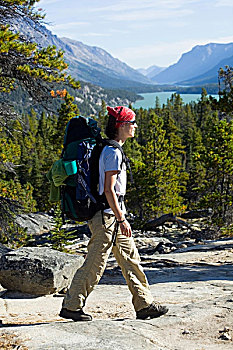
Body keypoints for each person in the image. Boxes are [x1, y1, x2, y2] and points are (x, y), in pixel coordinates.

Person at [59, 106, 168, 321]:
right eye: (132, 122)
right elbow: (109, 189)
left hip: (112, 215)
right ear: (121, 126)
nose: (135, 126)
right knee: (94, 263)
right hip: (107, 218)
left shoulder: (112, 149)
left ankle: (144, 304)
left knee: (130, 259)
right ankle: (72, 306)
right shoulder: (112, 152)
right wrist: (121, 218)